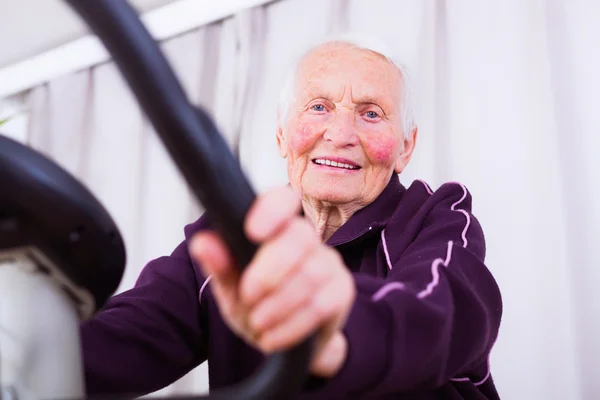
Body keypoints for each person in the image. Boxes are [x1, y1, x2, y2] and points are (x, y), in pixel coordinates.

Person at [81, 33, 503, 399]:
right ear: (282, 135)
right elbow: (124, 339)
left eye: (371, 113)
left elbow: (446, 312)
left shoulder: (435, 216)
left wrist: (336, 333)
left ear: (404, 149)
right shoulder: (231, 236)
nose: (340, 135)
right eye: (319, 107)